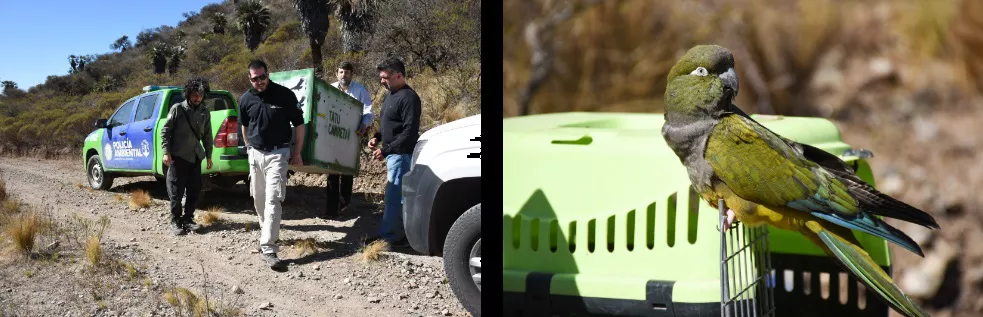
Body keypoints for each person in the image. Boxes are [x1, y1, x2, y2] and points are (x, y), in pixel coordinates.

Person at [238, 59, 306, 270]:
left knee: (273, 199)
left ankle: (269, 247)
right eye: (254, 78)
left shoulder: (285, 95)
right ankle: (267, 231)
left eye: (262, 76)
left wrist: (297, 152)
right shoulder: (246, 99)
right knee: (258, 200)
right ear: (249, 79)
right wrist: (249, 147)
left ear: (268, 74)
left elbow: (299, 124)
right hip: (255, 155)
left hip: (279, 153)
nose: (259, 81)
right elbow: (244, 125)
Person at [367, 57, 421, 247]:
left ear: (398, 75)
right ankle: (394, 234)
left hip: (401, 155)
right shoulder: (390, 95)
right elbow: (388, 124)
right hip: (393, 154)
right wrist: (377, 136)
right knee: (393, 196)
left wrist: (386, 149)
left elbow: (409, 132)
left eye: (385, 77)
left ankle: (392, 238)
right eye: (381, 77)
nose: (382, 81)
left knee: (394, 198)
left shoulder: (409, 98)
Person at [160, 78, 214, 236]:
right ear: (188, 94)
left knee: (194, 190)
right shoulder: (177, 109)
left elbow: (208, 136)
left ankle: (188, 219)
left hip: (196, 157)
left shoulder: (205, 112)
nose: (197, 98)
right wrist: (166, 152)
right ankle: (176, 221)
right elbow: (165, 132)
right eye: (194, 95)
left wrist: (209, 156)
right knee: (176, 192)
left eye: (200, 95)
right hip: (178, 156)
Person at [326, 61, 374, 217]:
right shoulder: (331, 88)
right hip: (333, 137)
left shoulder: (359, 90)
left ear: (351, 74)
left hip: (352, 136)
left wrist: (365, 124)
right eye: (341, 72)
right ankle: (330, 210)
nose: (343, 75)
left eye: (346, 72)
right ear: (336, 73)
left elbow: (368, 111)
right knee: (332, 172)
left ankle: (344, 205)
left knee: (346, 171)